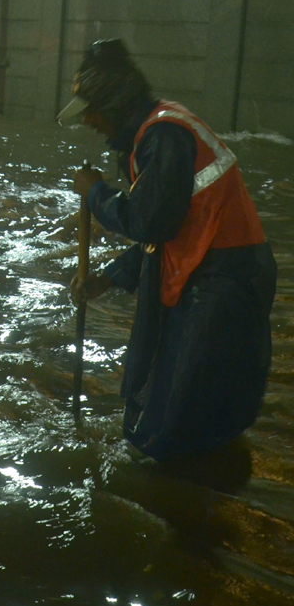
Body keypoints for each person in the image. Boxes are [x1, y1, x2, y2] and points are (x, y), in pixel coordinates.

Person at [62, 38, 276, 462]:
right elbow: (161, 237)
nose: (88, 120)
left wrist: (96, 195)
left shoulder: (164, 135)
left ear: (115, 103)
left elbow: (149, 222)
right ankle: (198, 475)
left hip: (223, 278)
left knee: (181, 413)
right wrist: (108, 278)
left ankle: (180, 493)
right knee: (175, 401)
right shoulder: (152, 135)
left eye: (92, 109)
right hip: (207, 267)